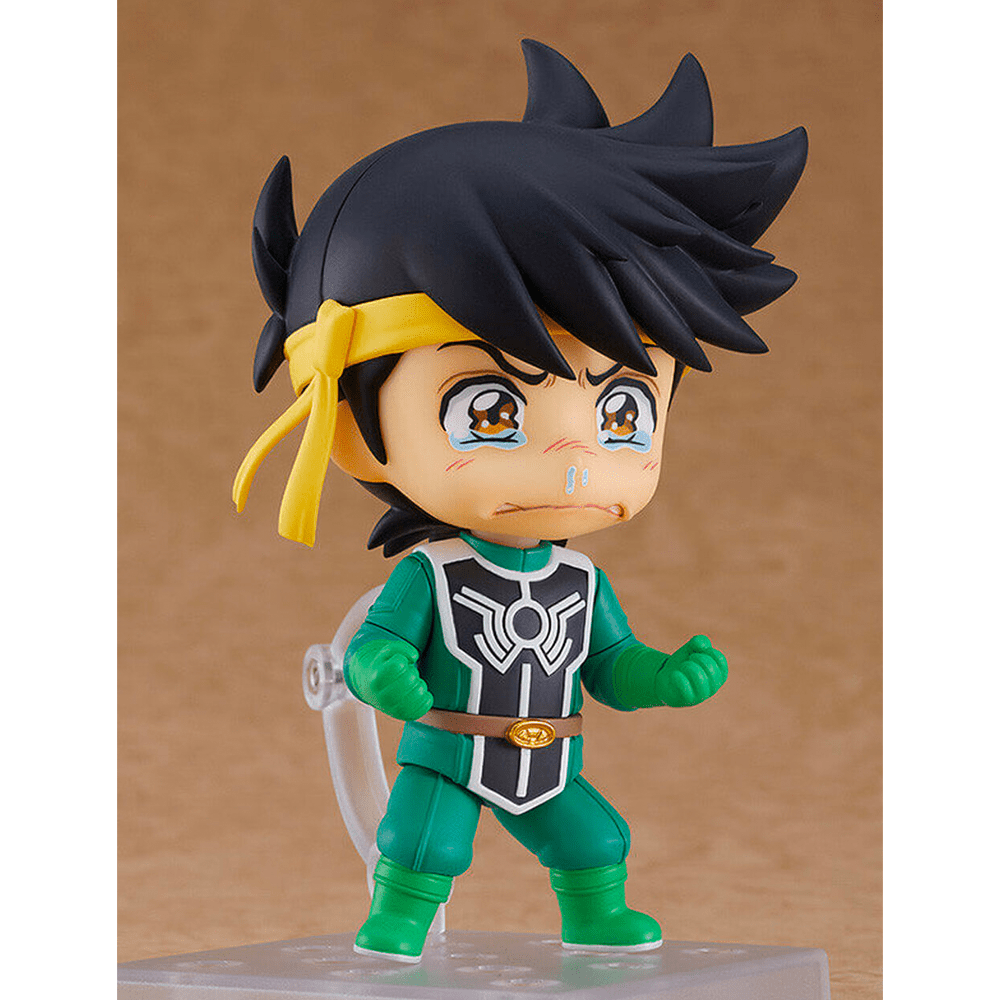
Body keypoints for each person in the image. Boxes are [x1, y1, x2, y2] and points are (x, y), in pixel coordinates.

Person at [234, 39, 807, 963]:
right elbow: (377, 645)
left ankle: (596, 915)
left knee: (596, 838)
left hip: (550, 753)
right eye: (491, 410)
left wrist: (664, 677)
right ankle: (401, 920)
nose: (575, 457)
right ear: (350, 428)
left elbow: (608, 665)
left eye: (623, 412)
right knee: (424, 842)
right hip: (450, 750)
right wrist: (381, 672)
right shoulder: (434, 574)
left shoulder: (578, 583)